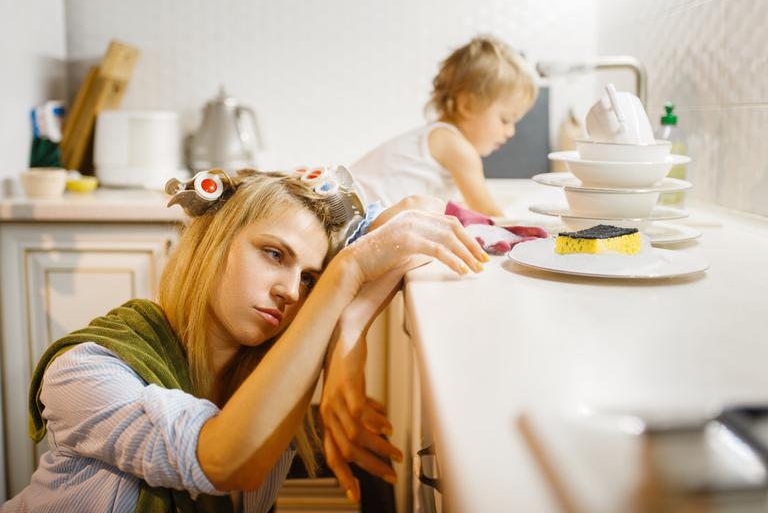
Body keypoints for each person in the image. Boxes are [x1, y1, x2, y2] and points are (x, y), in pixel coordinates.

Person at [3, 168, 487, 513]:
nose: (289, 290)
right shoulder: (84, 370)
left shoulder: (268, 368)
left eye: (309, 278)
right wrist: (348, 273)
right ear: (214, 242)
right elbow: (224, 461)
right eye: (274, 254)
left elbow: (417, 212)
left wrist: (350, 335)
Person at [350, 34, 539, 217]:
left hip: (347, 206)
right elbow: (488, 214)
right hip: (355, 215)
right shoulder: (456, 147)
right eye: (505, 120)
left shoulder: (438, 136)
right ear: (467, 105)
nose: (510, 132)